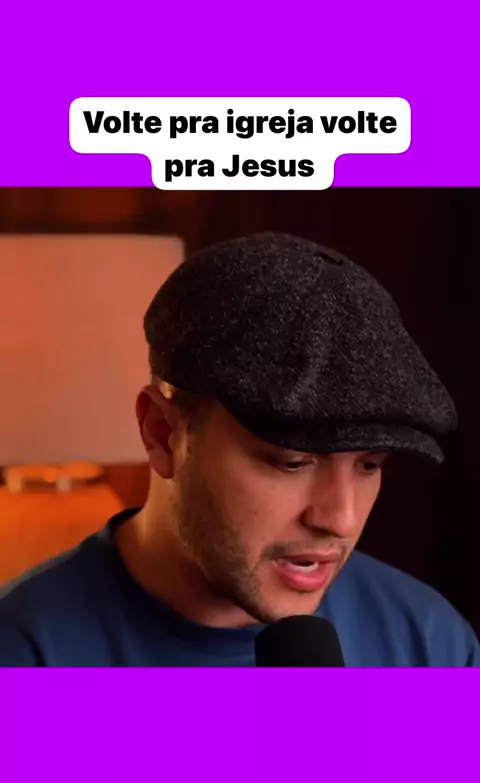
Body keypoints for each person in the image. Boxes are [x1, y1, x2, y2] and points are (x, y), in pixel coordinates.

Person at [0, 232, 478, 667]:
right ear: (163, 434)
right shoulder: (26, 652)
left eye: (369, 464)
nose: (340, 519)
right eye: (292, 462)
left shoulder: (431, 644)